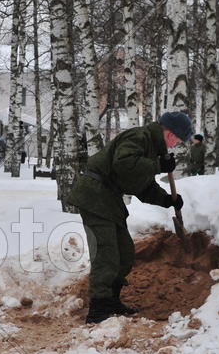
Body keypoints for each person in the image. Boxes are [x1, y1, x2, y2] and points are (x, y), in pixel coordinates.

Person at [68, 111, 192, 324]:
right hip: (95, 195)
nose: (175, 145)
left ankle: (111, 300)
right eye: (178, 141)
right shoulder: (139, 137)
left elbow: (140, 184)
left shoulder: (151, 148)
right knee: (106, 253)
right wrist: (158, 166)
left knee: (124, 252)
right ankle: (98, 308)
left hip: (109, 200)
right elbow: (124, 164)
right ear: (171, 134)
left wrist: (166, 200)